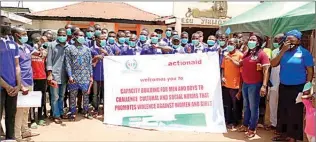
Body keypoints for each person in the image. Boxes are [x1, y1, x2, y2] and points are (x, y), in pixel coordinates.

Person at [271, 30, 314, 142]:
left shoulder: (304, 53)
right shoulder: (283, 52)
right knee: (283, 111)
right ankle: (284, 134)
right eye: (287, 40)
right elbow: (273, 64)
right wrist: (282, 51)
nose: (288, 42)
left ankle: (294, 137)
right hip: (284, 86)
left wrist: (307, 87)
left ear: (298, 41)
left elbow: (310, 71)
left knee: (295, 113)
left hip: (298, 87)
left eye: (291, 40)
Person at [237, 33, 270, 138]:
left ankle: (252, 128)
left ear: (258, 42)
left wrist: (264, 86)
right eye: (250, 39)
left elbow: (266, 70)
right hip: (245, 84)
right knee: (246, 106)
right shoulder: (247, 53)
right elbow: (241, 64)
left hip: (255, 85)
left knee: (253, 107)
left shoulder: (262, 54)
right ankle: (245, 125)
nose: (250, 41)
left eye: (253, 40)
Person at [12, 26, 41, 141]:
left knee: (26, 109)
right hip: (21, 83)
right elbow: (15, 68)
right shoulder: (14, 49)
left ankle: (25, 131)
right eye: (23, 34)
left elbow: (37, 53)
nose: (25, 36)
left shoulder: (26, 47)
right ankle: (17, 136)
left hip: (30, 81)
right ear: (16, 35)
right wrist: (21, 85)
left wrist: (41, 50)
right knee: (19, 111)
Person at [0, 16, 21, 140]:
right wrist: (6, 86)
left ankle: (10, 138)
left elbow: (17, 66)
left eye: (9, 23)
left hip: (13, 87)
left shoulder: (13, 44)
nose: (8, 26)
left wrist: (18, 85)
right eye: (5, 23)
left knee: (11, 115)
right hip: (2, 87)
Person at [64, 30, 93, 120]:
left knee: (86, 95)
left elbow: (89, 63)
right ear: (74, 36)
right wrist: (70, 76)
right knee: (72, 95)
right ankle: (72, 112)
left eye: (83, 36)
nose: (82, 37)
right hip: (74, 76)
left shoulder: (87, 49)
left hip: (85, 75)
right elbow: (67, 63)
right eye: (80, 35)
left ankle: (86, 111)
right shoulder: (69, 48)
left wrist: (91, 76)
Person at [47, 28, 69, 124]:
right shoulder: (52, 45)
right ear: (57, 35)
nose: (62, 37)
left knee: (62, 96)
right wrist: (49, 74)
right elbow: (49, 60)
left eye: (64, 35)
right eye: (60, 35)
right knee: (55, 96)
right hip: (54, 75)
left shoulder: (69, 47)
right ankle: (56, 115)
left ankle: (60, 112)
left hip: (64, 75)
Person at [221, 38, 243, 131]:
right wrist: (222, 77)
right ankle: (227, 120)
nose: (229, 45)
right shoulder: (225, 55)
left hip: (235, 85)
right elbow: (223, 68)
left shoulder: (240, 55)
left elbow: (240, 67)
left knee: (235, 105)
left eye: (231, 43)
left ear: (236, 44)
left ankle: (235, 122)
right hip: (226, 84)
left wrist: (240, 89)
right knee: (227, 104)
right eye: (228, 43)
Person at [266, 33, 284, 132]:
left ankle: (281, 125)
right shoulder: (273, 51)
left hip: (283, 82)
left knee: (281, 104)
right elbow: (270, 66)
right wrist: (268, 80)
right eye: (275, 40)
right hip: (273, 81)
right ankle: (274, 123)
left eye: (278, 40)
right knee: (273, 103)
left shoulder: (288, 52)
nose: (276, 42)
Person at [91, 33, 113, 115]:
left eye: (105, 39)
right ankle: (95, 108)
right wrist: (95, 57)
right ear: (96, 39)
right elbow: (89, 62)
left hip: (106, 75)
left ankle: (105, 108)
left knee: (105, 93)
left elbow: (113, 59)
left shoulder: (108, 48)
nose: (103, 40)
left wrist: (106, 53)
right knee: (95, 94)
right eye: (101, 39)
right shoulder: (91, 49)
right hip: (95, 75)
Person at [30, 34, 49, 129]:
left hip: (42, 77)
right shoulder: (29, 50)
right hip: (32, 78)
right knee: (32, 99)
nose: (38, 43)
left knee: (42, 98)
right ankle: (33, 120)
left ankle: (41, 117)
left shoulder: (44, 51)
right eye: (36, 41)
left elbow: (46, 62)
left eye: (40, 41)